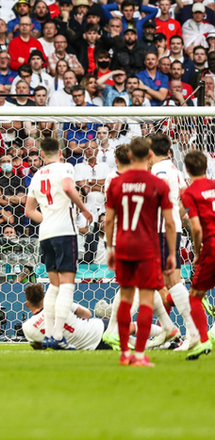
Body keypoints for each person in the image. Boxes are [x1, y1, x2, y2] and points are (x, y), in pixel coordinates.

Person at [105, 137, 176, 367]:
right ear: (148, 156)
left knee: (125, 300)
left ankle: (124, 353)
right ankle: (138, 356)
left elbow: (108, 220)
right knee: (146, 301)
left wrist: (110, 247)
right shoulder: (158, 184)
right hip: (147, 247)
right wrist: (172, 253)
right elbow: (169, 223)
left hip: (123, 245)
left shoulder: (116, 183)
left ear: (128, 157)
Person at [24, 138, 93, 350]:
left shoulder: (36, 175)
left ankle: (50, 336)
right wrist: (83, 208)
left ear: (42, 155)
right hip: (64, 232)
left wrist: (48, 220)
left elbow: (28, 211)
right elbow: (67, 187)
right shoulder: (66, 167)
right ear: (60, 152)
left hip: (46, 234)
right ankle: (57, 336)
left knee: (54, 285)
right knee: (67, 285)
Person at [149, 133, 199, 351]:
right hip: (169, 228)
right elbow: (186, 195)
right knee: (162, 284)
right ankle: (170, 331)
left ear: (150, 152)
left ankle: (192, 332)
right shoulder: (174, 169)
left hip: (161, 230)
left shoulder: (158, 171)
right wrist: (177, 216)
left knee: (171, 283)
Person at [22, 284, 164, 350]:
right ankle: (165, 333)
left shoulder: (27, 327)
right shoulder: (59, 303)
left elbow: (38, 347)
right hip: (94, 329)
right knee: (128, 329)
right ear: (45, 297)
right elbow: (87, 314)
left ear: (27, 304)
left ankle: (165, 345)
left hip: (90, 347)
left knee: (128, 343)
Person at [181, 150, 215, 360]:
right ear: (206, 166)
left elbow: (196, 228)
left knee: (195, 296)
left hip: (211, 245)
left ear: (187, 169)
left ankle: (203, 341)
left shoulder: (189, 192)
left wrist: (196, 252)